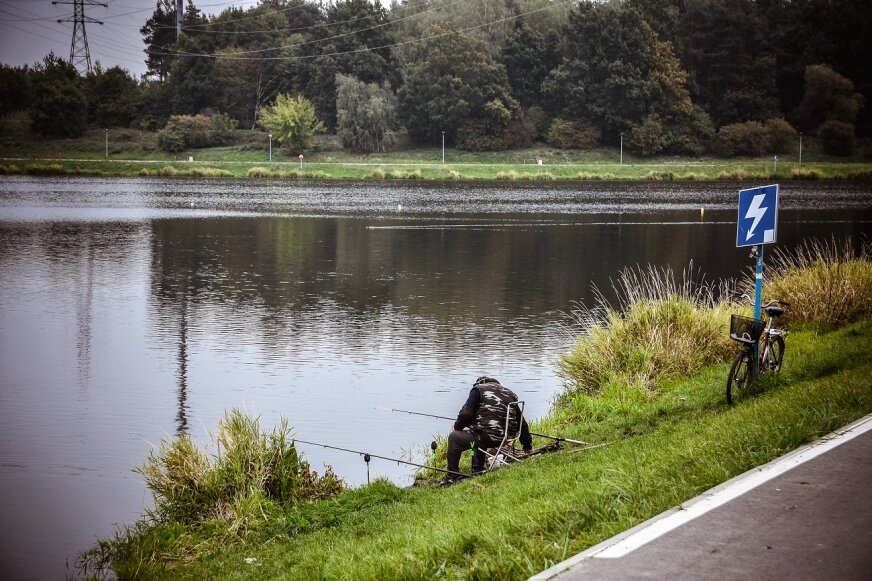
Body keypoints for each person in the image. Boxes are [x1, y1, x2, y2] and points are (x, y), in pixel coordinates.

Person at [445, 376, 532, 482]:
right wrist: (527, 445)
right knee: (478, 433)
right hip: (507, 438)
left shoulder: (478, 390)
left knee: (454, 438)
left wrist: (457, 426)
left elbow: (466, 413)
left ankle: (452, 476)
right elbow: (522, 423)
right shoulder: (510, 394)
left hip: (487, 438)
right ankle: (477, 469)